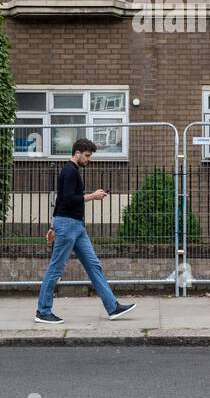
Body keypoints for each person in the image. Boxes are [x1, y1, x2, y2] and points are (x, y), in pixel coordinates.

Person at [35, 138, 136, 324]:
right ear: (77, 153)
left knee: (94, 265)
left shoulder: (72, 171)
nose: (89, 159)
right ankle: (43, 311)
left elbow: (59, 200)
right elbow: (67, 200)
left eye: (90, 156)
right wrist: (93, 196)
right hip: (67, 226)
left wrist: (52, 226)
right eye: (87, 155)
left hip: (76, 226)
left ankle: (112, 307)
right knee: (56, 268)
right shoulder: (70, 171)